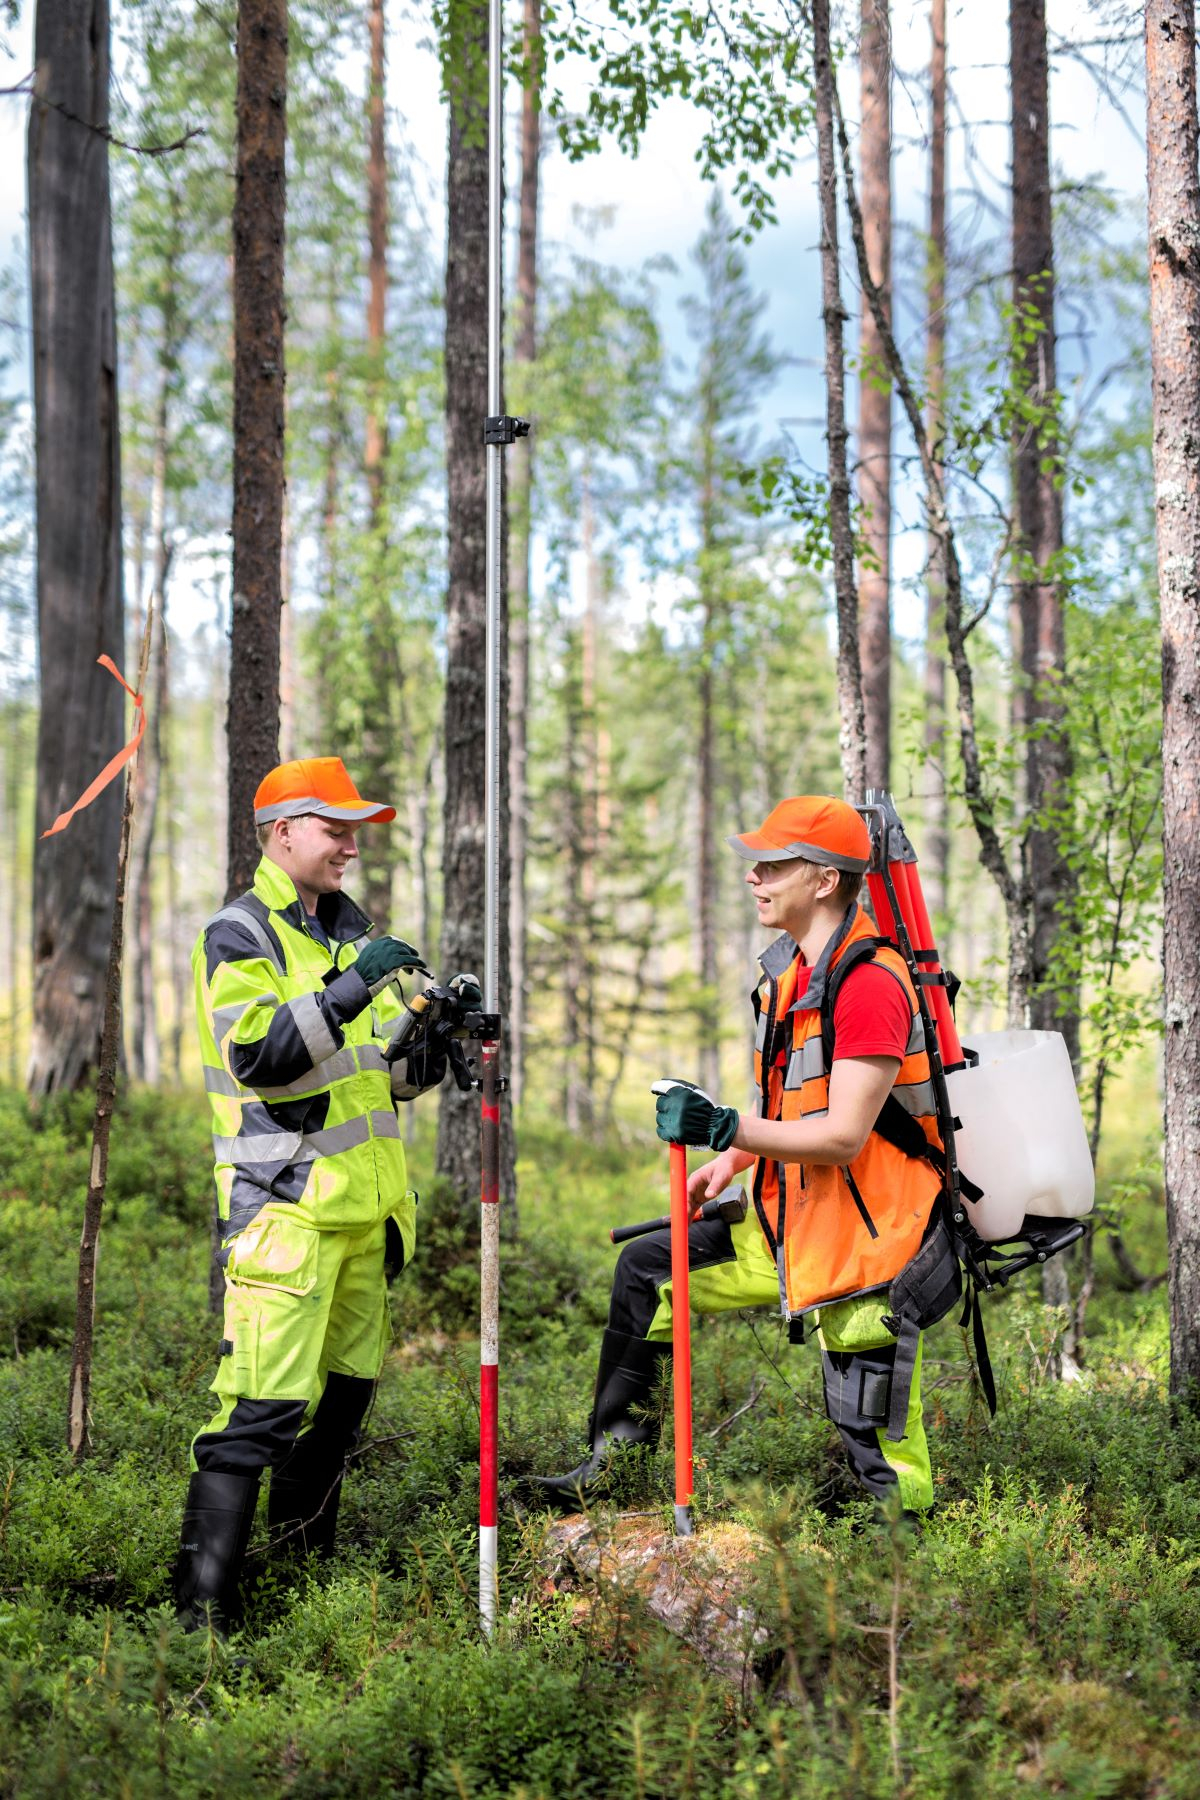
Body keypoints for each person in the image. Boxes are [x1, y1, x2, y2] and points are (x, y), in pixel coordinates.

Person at [534, 794, 941, 1518]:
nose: (754, 877)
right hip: (796, 1220)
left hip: (869, 1239)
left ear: (824, 880)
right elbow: (799, 1104)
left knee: (875, 1430)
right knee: (649, 1271)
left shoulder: (869, 984)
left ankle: (904, 1551)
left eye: (773, 865)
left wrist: (727, 1129)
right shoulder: (794, 973)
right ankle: (613, 1467)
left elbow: (844, 1136)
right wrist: (739, 1161)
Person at [174, 756, 471, 1630]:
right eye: (335, 829)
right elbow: (262, 1056)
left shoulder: (347, 935)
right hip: (287, 1218)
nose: (351, 845)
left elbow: (384, 1077)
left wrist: (430, 1030)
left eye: (356, 831)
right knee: (259, 1413)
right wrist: (354, 986)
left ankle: (302, 1592)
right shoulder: (239, 935)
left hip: (365, 1221)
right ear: (282, 833)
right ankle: (198, 1622)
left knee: (338, 1412)